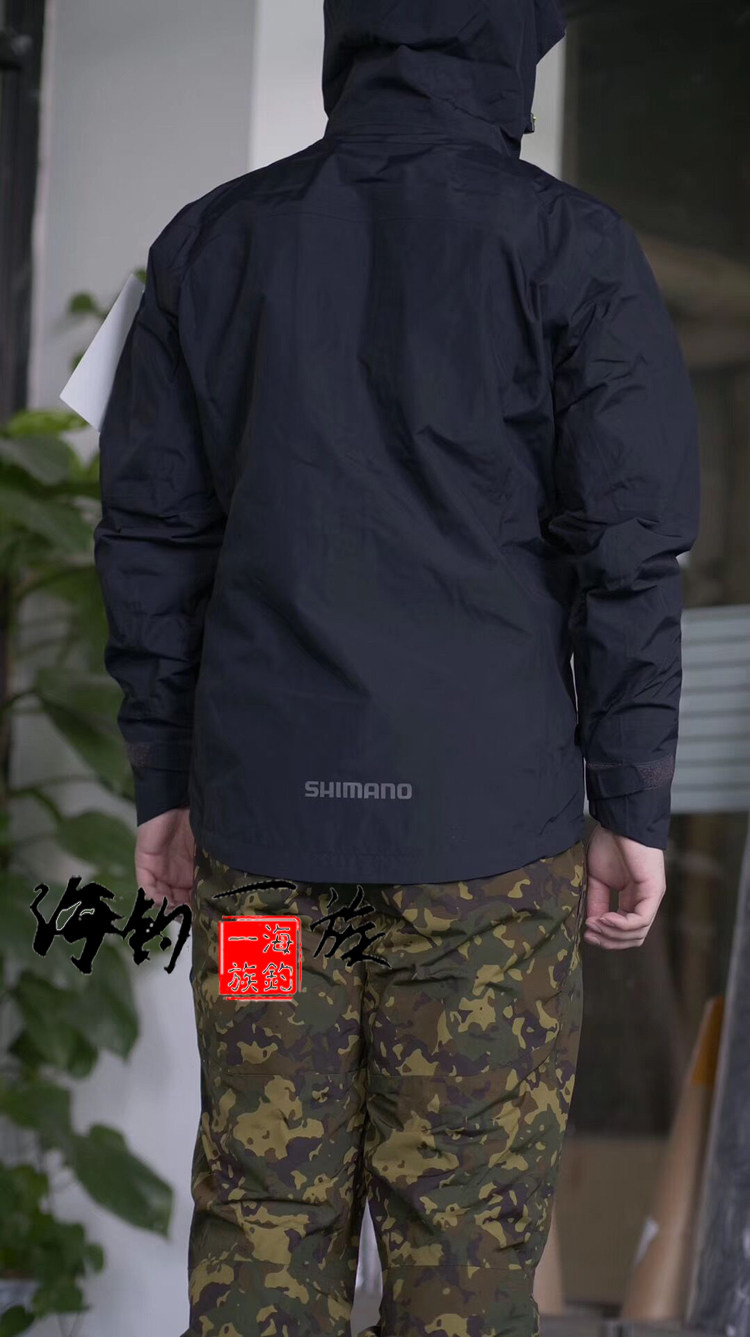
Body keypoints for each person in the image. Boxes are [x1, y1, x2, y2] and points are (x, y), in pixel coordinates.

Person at [93, 1, 701, 1334]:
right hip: (481, 852)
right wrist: (630, 801)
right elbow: (627, 553)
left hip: (264, 847)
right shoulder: (568, 246)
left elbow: (151, 536)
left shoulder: (214, 242)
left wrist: (165, 780)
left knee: (262, 1201)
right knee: (462, 1228)